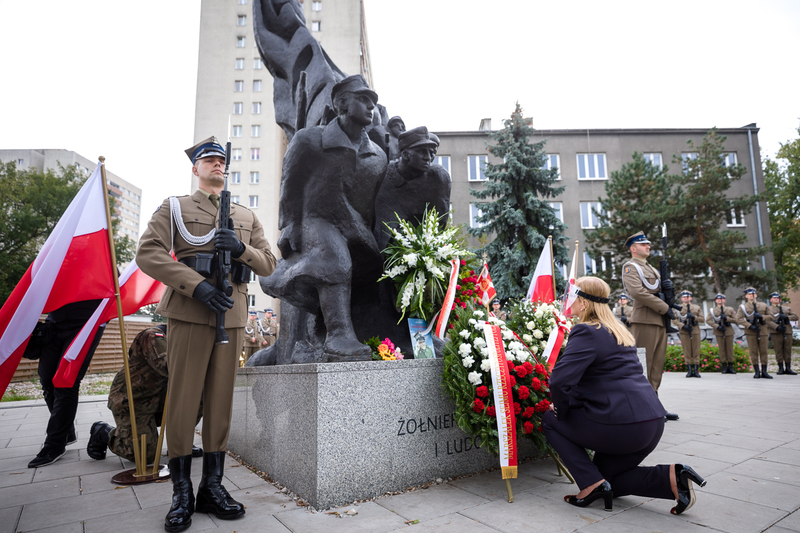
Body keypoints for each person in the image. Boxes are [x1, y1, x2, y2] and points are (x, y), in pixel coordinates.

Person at [137, 136, 276, 532]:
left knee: (220, 404)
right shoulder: (176, 207)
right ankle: (182, 493)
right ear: (195, 168)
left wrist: (240, 249)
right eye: (209, 160)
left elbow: (268, 264)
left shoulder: (246, 215)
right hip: (191, 312)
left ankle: (211, 488)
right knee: (182, 401)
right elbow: (148, 252)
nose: (218, 164)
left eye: (222, 160)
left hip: (230, 317)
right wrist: (196, 286)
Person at [543, 276, 706, 514]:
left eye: (572, 296)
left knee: (549, 420)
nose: (568, 301)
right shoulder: (618, 329)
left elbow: (559, 380)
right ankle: (672, 477)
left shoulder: (586, 330)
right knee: (606, 479)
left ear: (585, 303)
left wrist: (560, 410)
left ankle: (589, 485)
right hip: (650, 424)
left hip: (621, 426)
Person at [260, 74, 388, 362]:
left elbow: (372, 204)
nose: (371, 107)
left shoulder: (378, 156)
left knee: (368, 271)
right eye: (363, 99)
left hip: (354, 225)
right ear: (342, 102)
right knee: (335, 258)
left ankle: (323, 320)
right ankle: (338, 336)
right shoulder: (310, 140)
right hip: (314, 220)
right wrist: (290, 225)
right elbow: (290, 185)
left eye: (373, 102)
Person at [86, 325, 203, 463]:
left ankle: (180, 444)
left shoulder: (189, 338)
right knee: (143, 456)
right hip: (132, 400)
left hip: (160, 397)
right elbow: (167, 366)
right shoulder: (153, 336)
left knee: (198, 397)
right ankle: (103, 432)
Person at [27, 300, 106, 468]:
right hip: (54, 323)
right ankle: (66, 433)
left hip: (86, 324)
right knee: (47, 381)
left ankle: (54, 445)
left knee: (66, 382)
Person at [621, 231, 679, 421]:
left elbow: (658, 291)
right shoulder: (630, 267)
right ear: (633, 248)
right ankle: (642, 406)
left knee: (657, 364)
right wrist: (664, 308)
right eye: (644, 244)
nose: (648, 247)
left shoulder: (652, 269)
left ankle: (654, 404)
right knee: (644, 364)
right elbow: (637, 292)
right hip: (645, 320)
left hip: (659, 320)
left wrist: (669, 289)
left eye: (649, 244)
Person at [373, 126, 451, 251]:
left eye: (431, 153)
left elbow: (438, 226)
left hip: (419, 255)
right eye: (422, 151)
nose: (428, 157)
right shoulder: (384, 176)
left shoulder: (437, 178)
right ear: (405, 155)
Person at [735, 287, 773, 379]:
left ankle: (764, 371)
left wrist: (762, 317)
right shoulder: (743, 307)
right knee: (753, 352)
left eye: (753, 294)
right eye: (749, 294)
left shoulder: (763, 305)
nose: (751, 295)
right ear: (746, 296)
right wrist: (749, 325)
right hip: (751, 331)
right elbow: (738, 319)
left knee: (764, 351)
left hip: (762, 330)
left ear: (756, 295)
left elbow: (771, 317)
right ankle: (756, 371)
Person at [766, 292, 798, 375]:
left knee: (787, 349)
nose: (776, 299)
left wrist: (787, 317)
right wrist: (777, 327)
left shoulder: (786, 308)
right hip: (776, 331)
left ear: (780, 300)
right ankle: (780, 368)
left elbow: (796, 317)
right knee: (778, 350)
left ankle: (788, 368)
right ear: (771, 300)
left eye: (777, 298)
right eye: (774, 298)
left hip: (787, 331)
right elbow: (767, 321)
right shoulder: (768, 309)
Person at [673, 291, 703, 378]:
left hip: (695, 330)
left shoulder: (696, 307)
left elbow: (702, 319)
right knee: (687, 351)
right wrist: (682, 326)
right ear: (682, 298)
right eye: (684, 297)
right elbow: (674, 319)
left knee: (696, 350)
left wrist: (694, 317)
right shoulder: (678, 308)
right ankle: (689, 370)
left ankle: (696, 370)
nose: (686, 298)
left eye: (688, 296)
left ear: (691, 298)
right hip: (684, 331)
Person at [705, 294, 737, 374]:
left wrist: (727, 318)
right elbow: (708, 320)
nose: (720, 300)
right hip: (719, 330)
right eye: (718, 299)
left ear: (724, 300)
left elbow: (736, 319)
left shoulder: (729, 309)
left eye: (721, 299)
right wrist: (717, 326)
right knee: (722, 349)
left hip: (728, 329)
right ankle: (724, 367)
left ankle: (730, 366)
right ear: (715, 301)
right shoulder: (713, 310)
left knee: (729, 349)